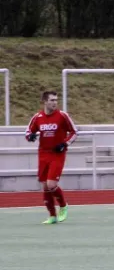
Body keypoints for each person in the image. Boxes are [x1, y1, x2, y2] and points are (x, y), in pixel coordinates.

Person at [25, 91, 78, 224]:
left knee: (51, 184)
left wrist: (64, 143)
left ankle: (63, 205)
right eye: (52, 100)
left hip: (57, 154)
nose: (55, 102)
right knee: (45, 186)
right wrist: (30, 137)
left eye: (56, 100)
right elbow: (28, 132)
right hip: (43, 154)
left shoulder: (62, 116)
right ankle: (52, 216)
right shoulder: (38, 117)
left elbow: (74, 132)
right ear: (45, 101)